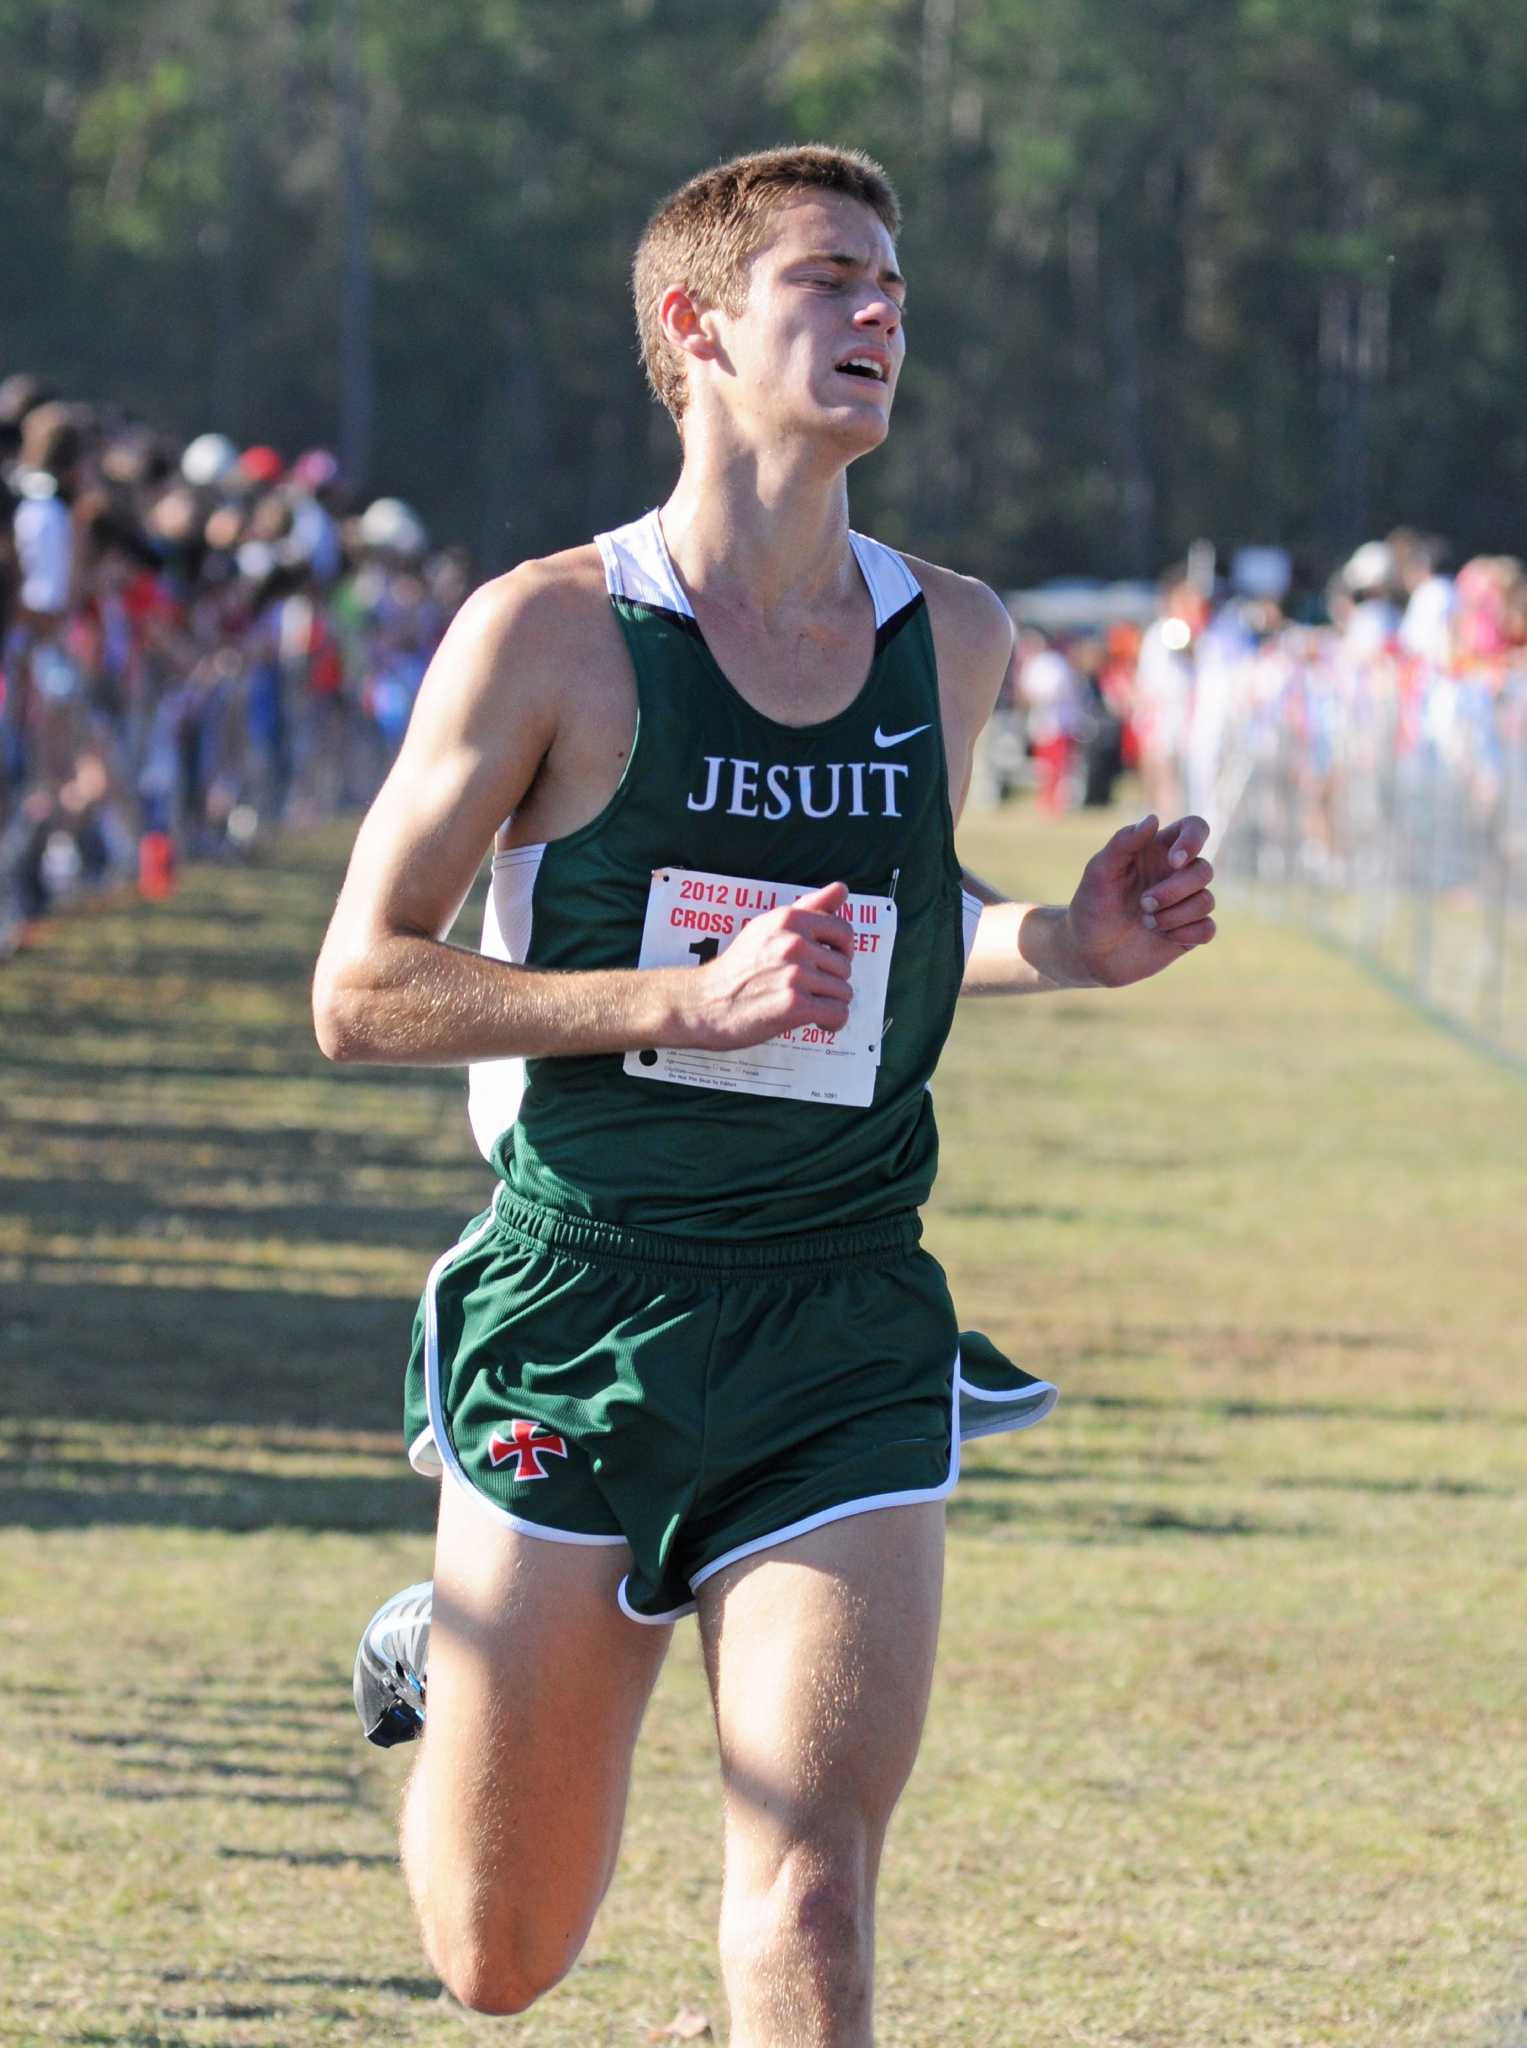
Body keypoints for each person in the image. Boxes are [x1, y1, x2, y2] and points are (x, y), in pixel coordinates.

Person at [312, 145, 1216, 2044]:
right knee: (503, 1956)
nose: (882, 311)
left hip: (842, 1306)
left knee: (807, 1898)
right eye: (830, 278)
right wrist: (678, 1001)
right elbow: (363, 986)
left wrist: (1065, 940)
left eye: (894, 285)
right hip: (586, 1301)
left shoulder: (947, 637)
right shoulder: (552, 633)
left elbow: (900, 920)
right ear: (696, 326)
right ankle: (458, 1644)